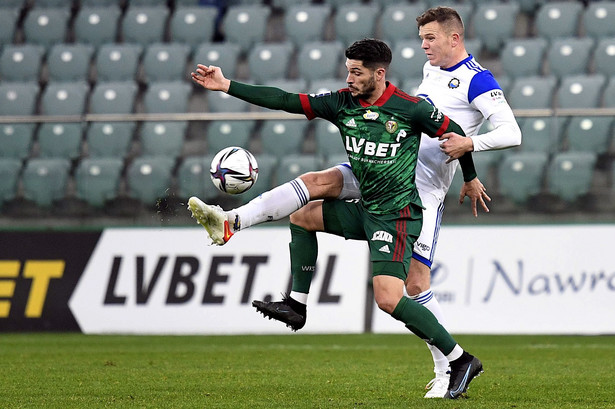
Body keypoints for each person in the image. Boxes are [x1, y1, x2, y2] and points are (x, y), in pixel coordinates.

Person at [189, 7, 521, 399]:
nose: (423, 46)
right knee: (313, 190)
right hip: (378, 166)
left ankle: (449, 366)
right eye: (421, 39)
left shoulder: (476, 80)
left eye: (430, 38)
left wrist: (470, 155)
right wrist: (227, 85)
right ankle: (234, 224)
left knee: (413, 285)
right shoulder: (427, 75)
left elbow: (505, 131)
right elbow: (287, 100)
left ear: (454, 37)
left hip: (418, 191)